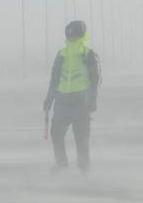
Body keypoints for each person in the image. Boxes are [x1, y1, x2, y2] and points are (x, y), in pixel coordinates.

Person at [43, 20, 101, 173]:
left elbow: (95, 79)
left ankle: (84, 169)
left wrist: (92, 100)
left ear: (80, 35)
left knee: (82, 139)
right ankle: (61, 163)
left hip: (81, 102)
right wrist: (49, 99)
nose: (71, 37)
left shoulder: (88, 54)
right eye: (69, 34)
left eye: (73, 34)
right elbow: (54, 78)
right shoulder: (61, 54)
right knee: (56, 134)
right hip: (62, 101)